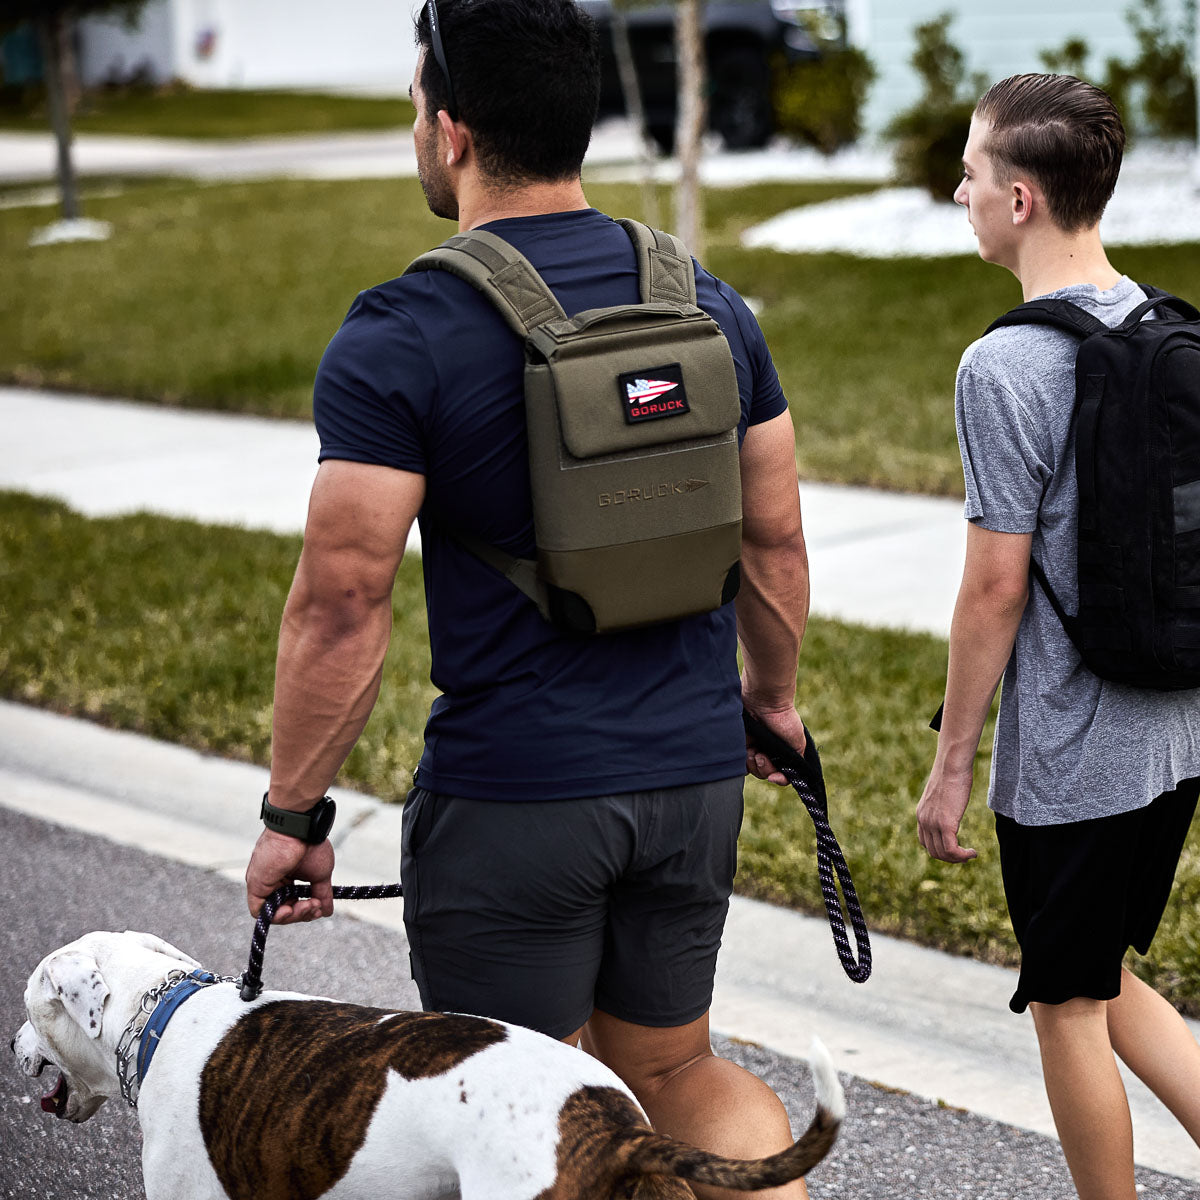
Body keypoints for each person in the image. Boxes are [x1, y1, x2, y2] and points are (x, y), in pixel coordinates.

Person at [244, 0, 814, 1194]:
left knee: (530, 1112)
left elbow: (341, 604)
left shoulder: (403, 330)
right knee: (672, 1073)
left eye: (412, 108)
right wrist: (770, 704)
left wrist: (295, 815)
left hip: (514, 801)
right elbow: (774, 539)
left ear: (451, 133)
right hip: (689, 779)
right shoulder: (705, 300)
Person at [917, 72, 1200, 1200]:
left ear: (1022, 198)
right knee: (1102, 974)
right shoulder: (1169, 328)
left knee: (1066, 1002)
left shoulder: (1005, 365)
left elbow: (994, 590)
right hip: (1176, 727)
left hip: (1078, 755)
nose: (961, 191)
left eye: (975, 174)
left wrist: (952, 766)